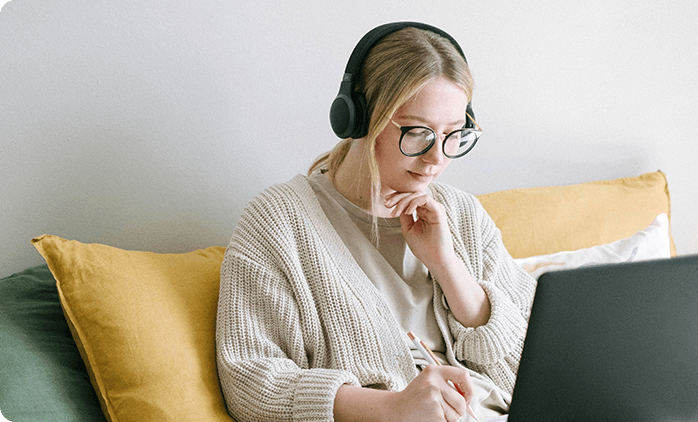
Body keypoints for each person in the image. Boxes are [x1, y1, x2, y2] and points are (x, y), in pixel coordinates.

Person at [215, 22, 537, 422]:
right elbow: (250, 380)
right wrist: (392, 408)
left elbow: (541, 358)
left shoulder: (463, 215)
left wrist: (448, 267)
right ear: (361, 119)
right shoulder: (279, 222)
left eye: (455, 134)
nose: (437, 158)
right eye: (419, 133)